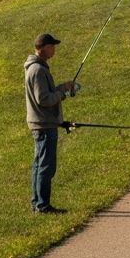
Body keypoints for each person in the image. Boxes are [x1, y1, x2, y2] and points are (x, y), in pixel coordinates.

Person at [24, 33, 76, 214]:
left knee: (39, 165)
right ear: (44, 47)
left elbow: (45, 93)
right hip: (44, 125)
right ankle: (42, 205)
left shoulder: (36, 68)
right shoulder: (38, 70)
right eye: (52, 46)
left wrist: (63, 87)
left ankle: (37, 202)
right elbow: (44, 99)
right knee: (46, 167)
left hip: (42, 123)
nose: (54, 50)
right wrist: (62, 94)